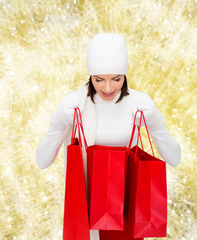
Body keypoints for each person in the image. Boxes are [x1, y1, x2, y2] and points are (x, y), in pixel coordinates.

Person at [36, 32, 181, 240]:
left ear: (125, 74)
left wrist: (156, 123)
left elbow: (174, 158)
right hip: (87, 214)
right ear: (90, 75)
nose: (107, 88)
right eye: (98, 79)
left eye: (116, 79)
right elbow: (42, 161)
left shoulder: (139, 103)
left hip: (127, 212)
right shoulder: (75, 104)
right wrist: (57, 123)